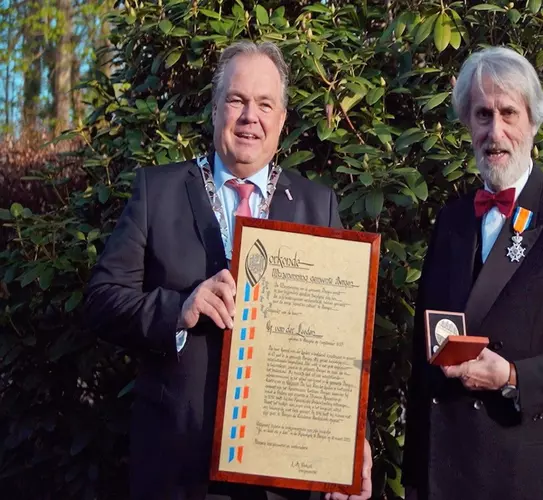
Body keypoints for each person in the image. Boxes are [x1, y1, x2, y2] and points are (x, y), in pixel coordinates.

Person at [85, 41, 371, 500]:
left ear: (281, 120)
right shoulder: (157, 192)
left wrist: (352, 442)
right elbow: (101, 301)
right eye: (237, 100)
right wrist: (179, 309)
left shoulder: (319, 205)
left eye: (265, 104)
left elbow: (342, 342)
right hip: (177, 471)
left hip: (282, 478)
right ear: (215, 109)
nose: (249, 117)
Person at [401, 46, 543, 499]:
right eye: (483, 114)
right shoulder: (451, 220)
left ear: (533, 121)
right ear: (467, 124)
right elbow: (422, 361)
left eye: (509, 112)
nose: (496, 131)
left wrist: (512, 376)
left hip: (522, 478)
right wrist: (414, 479)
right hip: (442, 478)